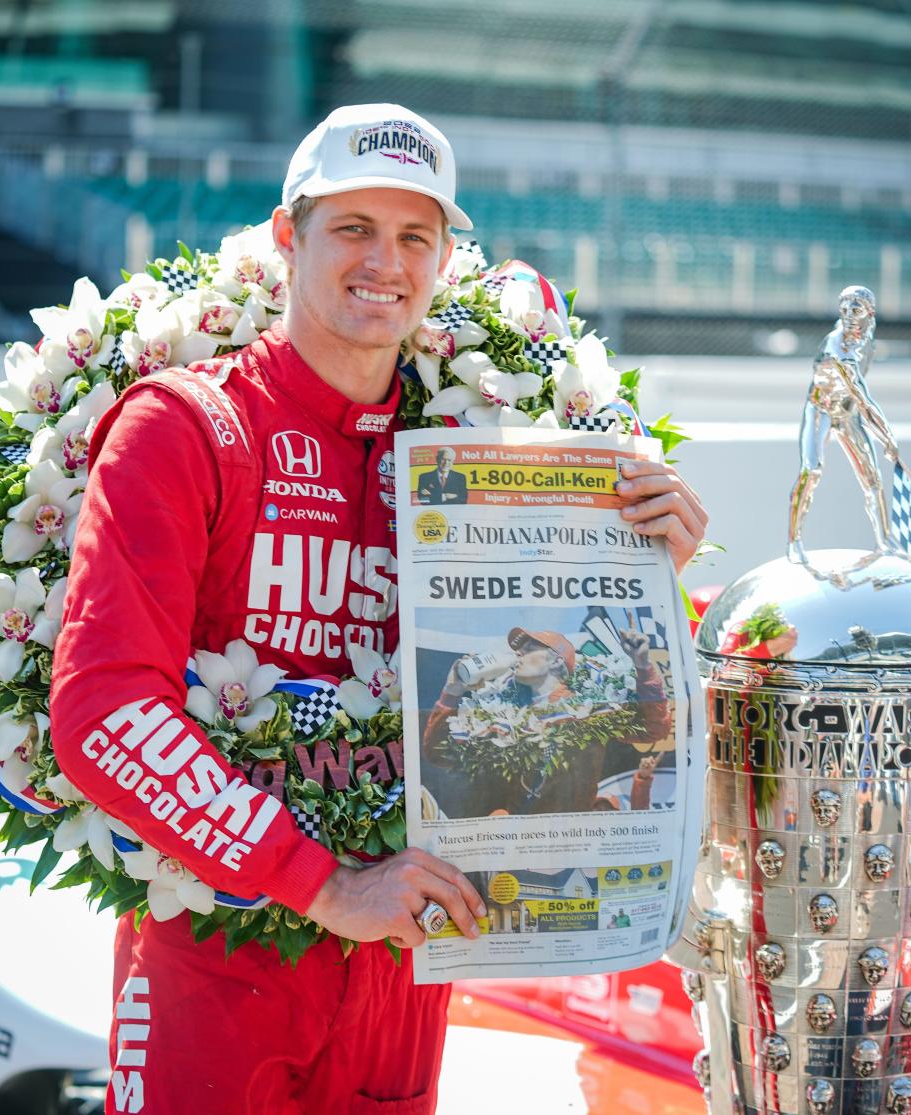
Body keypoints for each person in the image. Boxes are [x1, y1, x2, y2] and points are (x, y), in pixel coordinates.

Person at [49, 102, 707, 1114]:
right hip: (217, 955)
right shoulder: (183, 427)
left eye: (414, 237)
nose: (383, 262)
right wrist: (323, 884)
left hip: (404, 962)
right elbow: (105, 714)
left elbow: (563, 692)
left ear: (444, 260)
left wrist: (640, 556)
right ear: (287, 237)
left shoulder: (480, 457)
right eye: (353, 227)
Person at [423, 626, 672, 816]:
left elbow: (655, 729)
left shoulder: (592, 708)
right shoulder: (499, 716)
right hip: (516, 844)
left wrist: (643, 666)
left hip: (574, 841)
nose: (518, 655)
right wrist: (452, 690)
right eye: (518, 651)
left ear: (555, 660)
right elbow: (440, 755)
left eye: (530, 649)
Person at [788, 285, 901, 563]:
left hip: (847, 414)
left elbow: (858, 400)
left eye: (856, 309)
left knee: (872, 478)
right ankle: (795, 540)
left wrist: (884, 439)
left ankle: (884, 542)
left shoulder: (867, 344)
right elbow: (863, 396)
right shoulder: (836, 346)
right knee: (811, 470)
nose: (849, 315)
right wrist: (887, 438)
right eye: (845, 309)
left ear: (869, 313)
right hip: (821, 410)